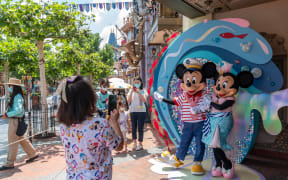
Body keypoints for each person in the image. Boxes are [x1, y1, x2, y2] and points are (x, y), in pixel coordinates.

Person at [57, 76, 123, 179]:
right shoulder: (100, 125)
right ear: (89, 98)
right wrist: (114, 122)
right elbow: (119, 146)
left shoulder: (63, 126)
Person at [0, 78, 39, 171]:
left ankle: (9, 163)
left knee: (12, 142)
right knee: (21, 138)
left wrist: (7, 114)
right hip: (16, 120)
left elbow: (18, 110)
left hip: (15, 121)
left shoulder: (17, 97)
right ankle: (32, 154)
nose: (9, 87)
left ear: (14, 87)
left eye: (10, 85)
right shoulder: (17, 96)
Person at [127, 77, 148, 151]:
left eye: (138, 82)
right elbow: (128, 101)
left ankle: (140, 143)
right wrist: (132, 92)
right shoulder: (130, 91)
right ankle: (134, 143)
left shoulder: (143, 90)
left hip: (141, 111)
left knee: (140, 128)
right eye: (135, 82)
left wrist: (139, 92)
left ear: (141, 83)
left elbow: (144, 100)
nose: (136, 84)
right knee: (133, 127)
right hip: (133, 110)